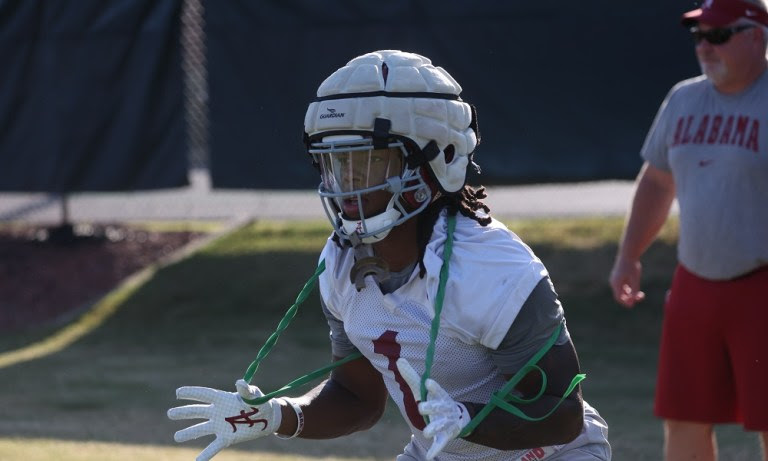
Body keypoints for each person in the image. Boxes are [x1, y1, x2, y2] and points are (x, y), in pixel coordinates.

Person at [168, 49, 610, 461]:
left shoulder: (490, 270)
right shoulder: (343, 264)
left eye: (369, 162)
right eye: (335, 164)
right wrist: (278, 415)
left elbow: (562, 417)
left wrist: (466, 418)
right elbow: (357, 397)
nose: (346, 184)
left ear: (438, 158)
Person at [608, 0, 768, 459]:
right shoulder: (684, 99)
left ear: (756, 35)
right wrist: (628, 254)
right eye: (699, 37)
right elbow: (658, 180)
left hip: (762, 284)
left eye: (718, 36)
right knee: (685, 417)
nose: (705, 47)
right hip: (695, 282)